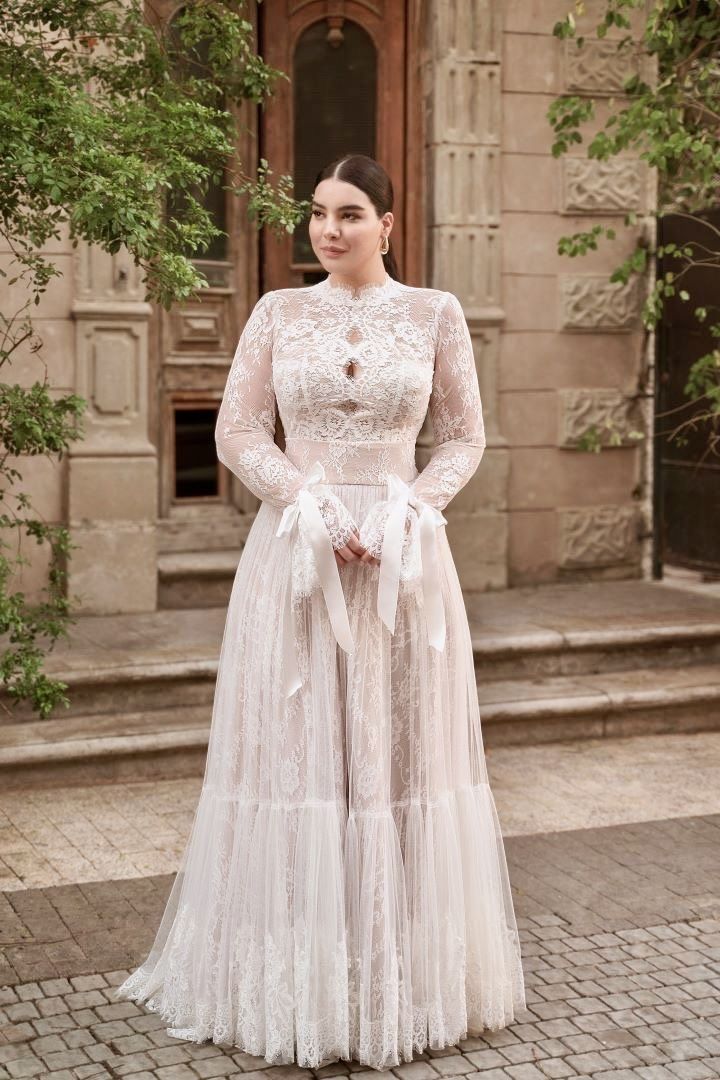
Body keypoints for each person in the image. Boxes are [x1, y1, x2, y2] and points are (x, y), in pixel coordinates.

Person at [115, 153, 526, 1071]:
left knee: (395, 753)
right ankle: (297, 974)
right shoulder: (275, 313)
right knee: (300, 752)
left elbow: (463, 433)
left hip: (403, 566)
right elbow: (235, 428)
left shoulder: (434, 314)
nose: (329, 229)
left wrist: (411, 508)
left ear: (388, 223)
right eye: (317, 213)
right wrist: (306, 502)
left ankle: (400, 973)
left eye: (349, 213)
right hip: (295, 562)